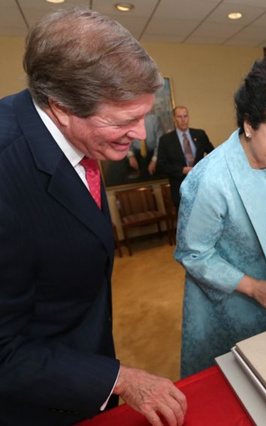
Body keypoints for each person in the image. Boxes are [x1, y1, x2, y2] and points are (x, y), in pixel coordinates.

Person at [0, 9, 187, 426]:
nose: (141, 134)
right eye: (125, 121)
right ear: (61, 105)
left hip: (82, 353)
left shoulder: (72, 132)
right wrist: (120, 379)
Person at [174, 50, 266, 376]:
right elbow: (193, 254)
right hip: (224, 302)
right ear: (249, 125)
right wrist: (253, 287)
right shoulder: (211, 181)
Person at [157, 106, 214, 208]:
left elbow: (213, 155)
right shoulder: (166, 140)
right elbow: (161, 165)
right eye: (179, 117)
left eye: (185, 116)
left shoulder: (200, 134)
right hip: (180, 190)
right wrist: (182, 170)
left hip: (202, 188)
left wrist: (204, 170)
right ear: (174, 119)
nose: (183, 120)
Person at [128, 112, 164, 178]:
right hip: (136, 155)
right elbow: (126, 140)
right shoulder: (128, 121)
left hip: (153, 155)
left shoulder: (154, 119)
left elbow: (160, 142)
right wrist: (131, 156)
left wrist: (154, 160)